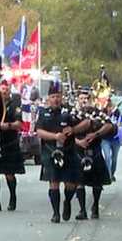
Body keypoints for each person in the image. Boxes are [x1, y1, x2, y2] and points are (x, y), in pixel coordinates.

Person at [36, 84, 91, 223]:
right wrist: (55, 137)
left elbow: (87, 122)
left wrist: (73, 129)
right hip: (51, 151)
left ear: (62, 97)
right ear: (48, 98)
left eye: (58, 96)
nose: (56, 99)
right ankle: (55, 213)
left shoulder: (70, 111)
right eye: (53, 97)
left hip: (68, 151)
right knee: (53, 182)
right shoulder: (43, 112)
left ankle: (67, 201)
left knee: (70, 185)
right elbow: (39, 132)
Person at [74, 90, 116, 219]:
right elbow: (64, 131)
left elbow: (110, 125)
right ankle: (82, 210)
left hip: (95, 151)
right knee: (79, 181)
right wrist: (78, 142)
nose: (84, 101)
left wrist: (96, 134)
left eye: (86, 98)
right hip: (79, 150)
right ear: (77, 100)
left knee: (97, 183)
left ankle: (95, 206)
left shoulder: (98, 114)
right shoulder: (72, 114)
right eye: (81, 99)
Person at [0, 76, 25, 211]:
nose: (4, 93)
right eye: (1, 91)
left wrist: (6, 126)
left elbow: (19, 124)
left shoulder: (15, 105)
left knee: (9, 173)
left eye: (6, 91)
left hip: (9, 141)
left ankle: (12, 197)